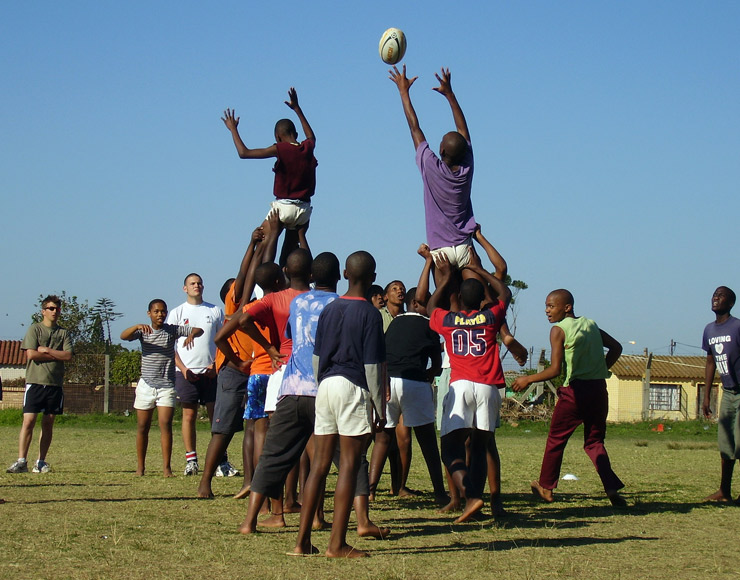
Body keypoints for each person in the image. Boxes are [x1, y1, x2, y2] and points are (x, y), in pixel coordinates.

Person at [239, 252, 385, 538]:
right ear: (339, 276)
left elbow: (294, 337)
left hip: (293, 387)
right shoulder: (341, 304)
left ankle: (250, 521)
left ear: (312, 277)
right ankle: (358, 520)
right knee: (349, 459)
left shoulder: (297, 302)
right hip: (328, 388)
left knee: (274, 456)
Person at [293, 251, 386, 558]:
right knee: (348, 464)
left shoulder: (331, 309)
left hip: (326, 385)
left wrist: (324, 385)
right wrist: (380, 409)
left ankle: (302, 542)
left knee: (318, 465)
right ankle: (337, 544)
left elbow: (318, 357)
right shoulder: (371, 314)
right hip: (352, 386)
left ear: (345, 274)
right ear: (373, 278)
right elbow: (373, 366)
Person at [512, 289, 626, 507]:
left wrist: (528, 379)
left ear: (567, 307)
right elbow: (617, 347)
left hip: (575, 392)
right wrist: (600, 368)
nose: (547, 311)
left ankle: (546, 487)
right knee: (594, 442)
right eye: (546, 306)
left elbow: (555, 370)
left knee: (556, 439)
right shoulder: (591, 325)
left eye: (551, 306)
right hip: (598, 390)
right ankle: (611, 488)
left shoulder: (558, 330)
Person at [427, 253, 511, 523]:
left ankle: (470, 495)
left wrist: (446, 280)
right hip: (488, 387)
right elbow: (504, 294)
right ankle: (475, 499)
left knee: (450, 449)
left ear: (460, 300)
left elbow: (430, 307)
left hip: (461, 384)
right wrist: (479, 270)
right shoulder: (491, 316)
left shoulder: (449, 320)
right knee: (479, 447)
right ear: (481, 300)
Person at [389, 65, 483, 283]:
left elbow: (415, 127)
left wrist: (404, 92)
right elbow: (463, 132)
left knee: (445, 308)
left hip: (440, 252)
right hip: (465, 248)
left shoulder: (430, 167)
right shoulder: (466, 169)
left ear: (441, 151)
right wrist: (450, 95)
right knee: (476, 304)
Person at [369, 287, 448, 505]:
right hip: (415, 382)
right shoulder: (430, 325)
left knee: (383, 438)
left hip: (388, 382)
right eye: (428, 304)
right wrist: (430, 374)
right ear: (416, 304)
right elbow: (437, 364)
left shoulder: (395, 323)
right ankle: (440, 492)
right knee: (427, 441)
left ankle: (370, 490)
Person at [222, 88, 316, 267]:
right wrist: (297, 109)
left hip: (284, 207)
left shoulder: (280, 148)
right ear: (296, 134)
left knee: (262, 246)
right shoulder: (307, 147)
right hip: (304, 210)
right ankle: (308, 279)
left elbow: (244, 153)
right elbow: (311, 135)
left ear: (277, 137)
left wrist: (233, 130)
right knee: (290, 252)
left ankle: (267, 279)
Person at [120, 300, 202, 477]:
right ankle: (140, 467)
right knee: (143, 426)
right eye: (156, 311)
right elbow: (123, 336)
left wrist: (191, 334)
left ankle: (167, 468)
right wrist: (135, 327)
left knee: (165, 425)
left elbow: (199, 330)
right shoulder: (143, 332)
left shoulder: (172, 330)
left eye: (163, 311)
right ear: (149, 313)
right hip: (146, 385)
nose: (160, 315)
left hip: (166, 386)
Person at [167, 273, 226, 476]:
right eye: (192, 283)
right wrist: (183, 369)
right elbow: (170, 346)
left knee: (215, 417)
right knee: (188, 415)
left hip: (210, 372)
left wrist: (215, 365)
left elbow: (223, 341)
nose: (196, 286)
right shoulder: (176, 313)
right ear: (185, 288)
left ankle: (220, 461)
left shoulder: (215, 311)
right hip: (185, 373)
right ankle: (191, 460)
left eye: (199, 283)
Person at [7, 295, 72, 474]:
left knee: (48, 423)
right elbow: (31, 355)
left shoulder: (63, 333)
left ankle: (41, 462)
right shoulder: (34, 329)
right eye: (51, 308)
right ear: (43, 311)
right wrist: (55, 355)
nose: (54, 311)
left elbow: (67, 356)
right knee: (29, 421)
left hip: (55, 384)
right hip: (35, 383)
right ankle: (22, 461)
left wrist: (47, 350)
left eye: (57, 308)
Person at [701, 286, 740, 503]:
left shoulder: (737, 327)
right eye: (714, 295)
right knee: (726, 443)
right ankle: (725, 491)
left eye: (721, 295)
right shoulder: (709, 330)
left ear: (731, 303)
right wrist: (707, 396)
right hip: (727, 392)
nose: (715, 298)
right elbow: (709, 362)